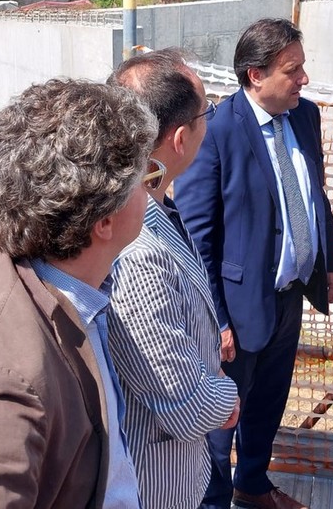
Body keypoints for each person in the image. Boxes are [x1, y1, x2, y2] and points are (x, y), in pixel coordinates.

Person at [0, 79, 157, 509]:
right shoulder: (1, 387)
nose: (151, 190)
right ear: (105, 221)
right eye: (144, 180)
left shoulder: (28, 259)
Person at [176, 18, 333, 509]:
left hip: (289, 294)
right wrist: (217, 319)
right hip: (236, 307)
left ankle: (251, 486)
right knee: (221, 419)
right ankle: (212, 501)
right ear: (256, 75)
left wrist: (329, 263)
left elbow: (314, 196)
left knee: (269, 402)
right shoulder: (217, 130)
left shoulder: (305, 117)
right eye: (293, 70)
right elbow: (197, 238)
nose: (304, 79)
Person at [106, 48, 241, 509]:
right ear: (180, 138)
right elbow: (188, 408)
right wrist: (227, 395)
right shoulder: (139, 252)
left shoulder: (153, 206)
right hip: (154, 487)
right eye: (206, 112)